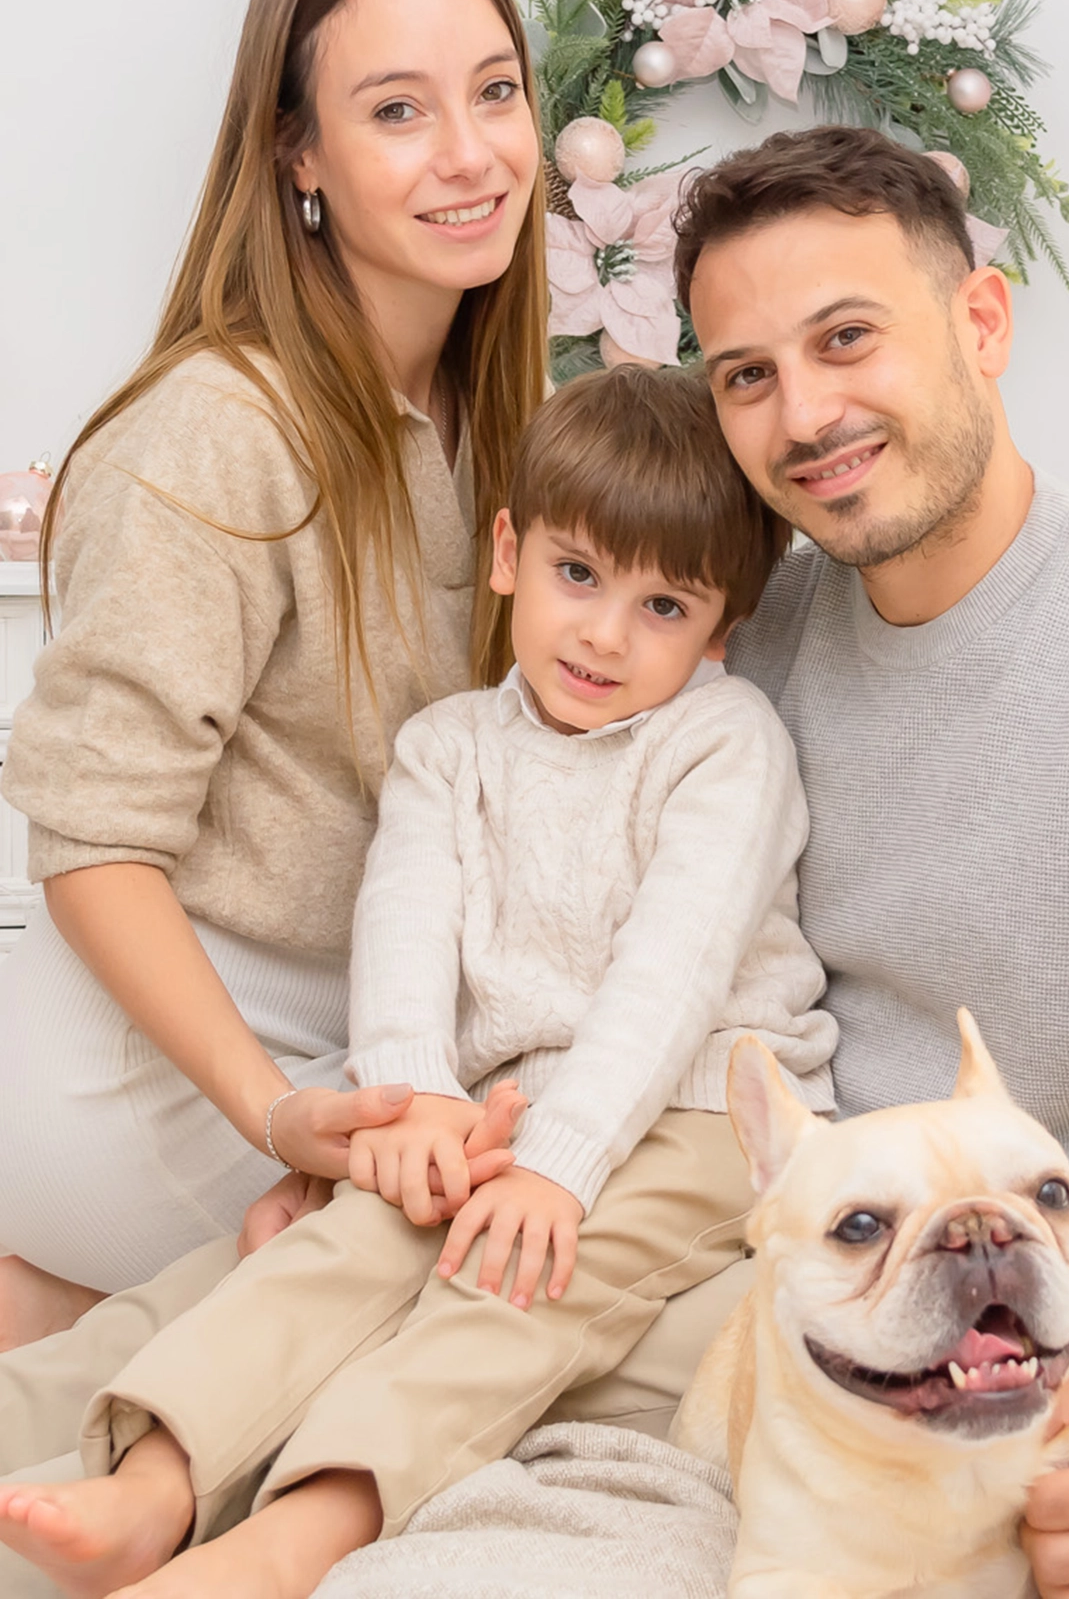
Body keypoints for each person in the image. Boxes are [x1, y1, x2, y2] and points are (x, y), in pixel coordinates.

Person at [0, 364, 836, 1599]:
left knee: (509, 1291)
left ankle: (297, 1540)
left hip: (698, 1114)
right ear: (507, 552)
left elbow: (671, 975)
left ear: (723, 628)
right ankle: (157, 1478)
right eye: (577, 576)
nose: (605, 633)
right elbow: (402, 931)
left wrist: (563, 1159)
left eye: (664, 606)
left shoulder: (722, 746)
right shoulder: (449, 746)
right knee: (337, 1254)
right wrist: (410, 1103)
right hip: (503, 1109)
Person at [672, 126, 1069, 1599]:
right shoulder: (751, 642)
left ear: (984, 322)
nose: (804, 413)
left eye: (847, 338)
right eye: (748, 374)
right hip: (803, 1286)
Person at [0, 0, 548, 1342]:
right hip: (159, 1049)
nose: (470, 152)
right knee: (499, 1274)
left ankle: (61, 1313)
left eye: (496, 92)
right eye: (396, 111)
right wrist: (281, 1110)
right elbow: (91, 844)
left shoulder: (499, 420)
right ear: (297, 155)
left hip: (363, 1017)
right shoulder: (214, 433)